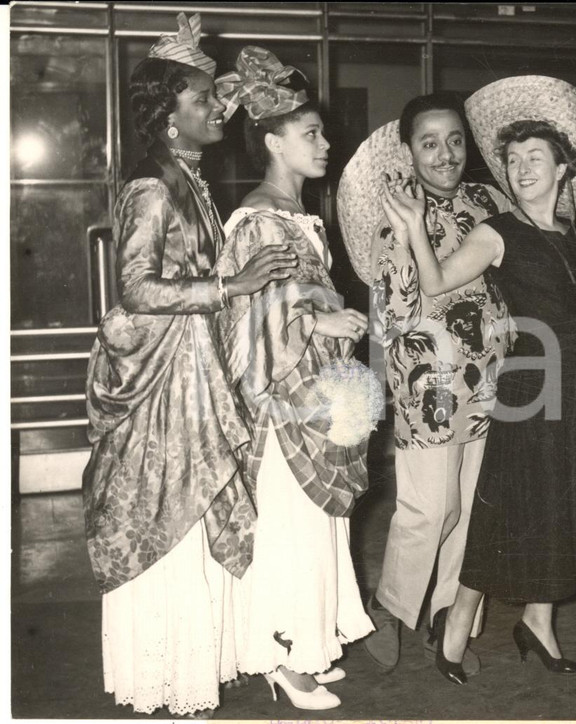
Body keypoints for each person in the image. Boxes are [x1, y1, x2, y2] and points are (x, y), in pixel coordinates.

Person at [380, 75, 576, 685]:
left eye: (534, 158)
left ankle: (538, 621)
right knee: (503, 512)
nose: (520, 169)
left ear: (564, 169)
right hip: (529, 388)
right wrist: (413, 228)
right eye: (512, 161)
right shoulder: (498, 232)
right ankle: (454, 626)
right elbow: (436, 282)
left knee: (560, 506)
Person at [82, 14, 297, 718]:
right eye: (203, 100)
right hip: (162, 381)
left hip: (192, 365)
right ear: (169, 118)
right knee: (170, 512)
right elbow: (135, 289)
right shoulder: (152, 187)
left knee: (195, 509)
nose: (218, 108)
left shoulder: (187, 178)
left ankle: (189, 674)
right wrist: (230, 287)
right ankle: (165, 678)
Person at [212, 46, 376, 710]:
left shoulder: (298, 217)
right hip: (281, 405)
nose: (325, 143)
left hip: (316, 393)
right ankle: (280, 657)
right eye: (311, 133)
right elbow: (244, 323)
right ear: (274, 143)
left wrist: (329, 319)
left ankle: (310, 642)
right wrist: (318, 322)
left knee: (315, 526)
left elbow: (293, 298)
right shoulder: (259, 220)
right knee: (289, 526)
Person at [336, 94, 514, 674]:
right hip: (428, 385)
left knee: (474, 507)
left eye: (455, 140)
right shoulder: (397, 213)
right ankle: (389, 605)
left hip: (492, 378)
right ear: (409, 151)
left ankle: (449, 615)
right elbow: (391, 315)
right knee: (430, 508)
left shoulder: (490, 201)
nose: (446, 154)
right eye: (429, 143)